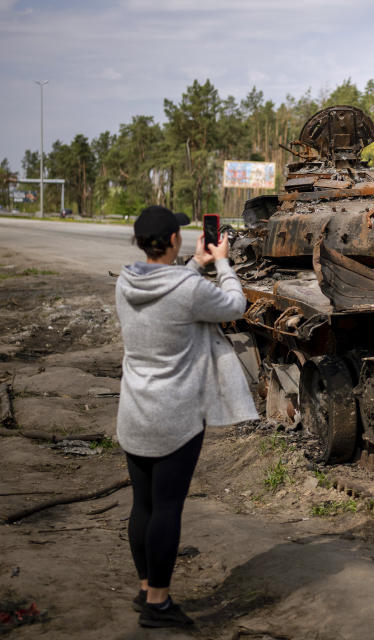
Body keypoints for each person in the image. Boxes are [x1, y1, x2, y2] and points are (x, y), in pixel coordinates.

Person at [115, 205, 257, 629]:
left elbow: (172, 286)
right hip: (175, 420)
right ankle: (159, 604)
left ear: (141, 243)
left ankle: (145, 588)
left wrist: (196, 263)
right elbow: (235, 304)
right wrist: (223, 262)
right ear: (174, 240)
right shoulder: (188, 290)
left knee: (142, 504)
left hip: (134, 413)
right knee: (167, 509)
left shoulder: (125, 282)